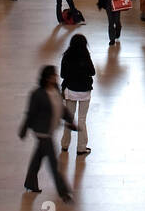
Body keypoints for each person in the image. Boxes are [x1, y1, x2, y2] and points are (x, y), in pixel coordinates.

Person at [20, 65, 75, 202]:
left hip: (49, 130)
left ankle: (30, 183)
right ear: (46, 78)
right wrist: (24, 129)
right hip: (43, 132)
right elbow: (30, 113)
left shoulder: (55, 90)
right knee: (54, 164)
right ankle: (64, 193)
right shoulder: (37, 94)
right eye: (53, 76)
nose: (55, 77)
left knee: (37, 158)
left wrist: (70, 121)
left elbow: (60, 108)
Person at [59, 34, 95, 155]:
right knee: (82, 119)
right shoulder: (86, 56)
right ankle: (81, 147)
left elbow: (62, 75)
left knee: (69, 119)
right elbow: (93, 72)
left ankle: (65, 144)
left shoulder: (67, 56)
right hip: (84, 91)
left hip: (70, 91)